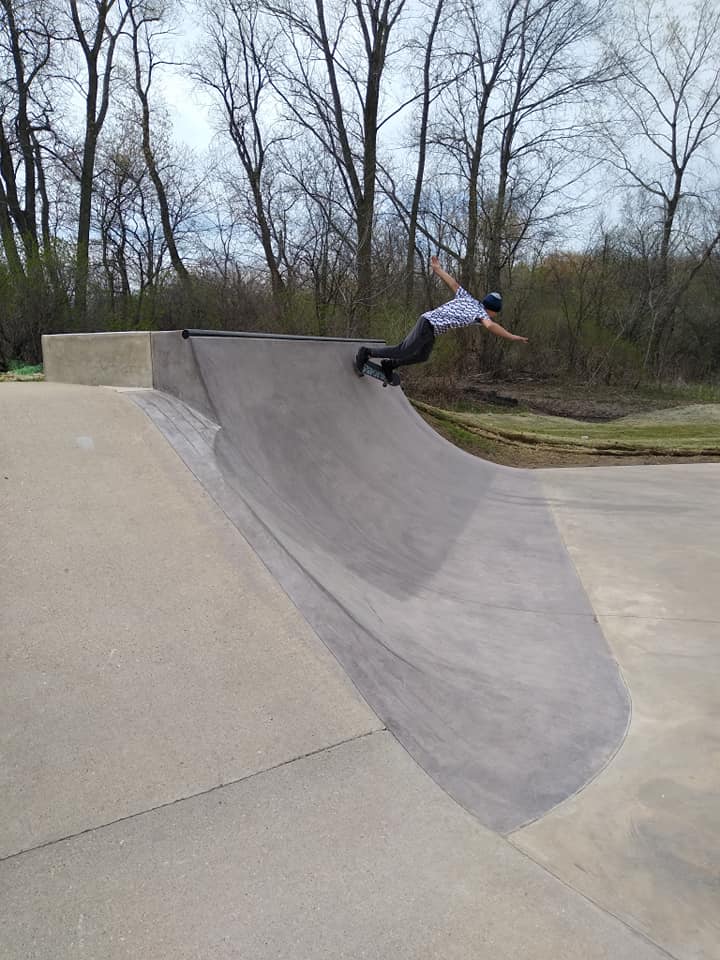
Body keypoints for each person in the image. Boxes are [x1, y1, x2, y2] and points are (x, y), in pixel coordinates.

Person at [354, 255, 528, 382]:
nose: (493, 316)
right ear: (492, 311)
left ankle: (389, 365)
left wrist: (438, 270)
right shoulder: (482, 313)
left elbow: (453, 283)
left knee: (422, 356)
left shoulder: (468, 298)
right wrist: (512, 336)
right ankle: (366, 352)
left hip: (432, 329)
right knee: (403, 350)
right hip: (428, 324)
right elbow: (490, 326)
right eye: (495, 314)